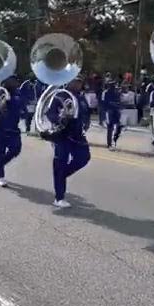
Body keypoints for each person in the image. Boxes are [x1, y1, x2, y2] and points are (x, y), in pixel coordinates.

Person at [44, 74, 91, 209]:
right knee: (60, 162)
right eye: (75, 81)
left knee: (84, 158)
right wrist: (60, 119)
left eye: (79, 82)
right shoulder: (61, 96)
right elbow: (50, 113)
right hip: (62, 135)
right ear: (69, 81)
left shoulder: (81, 97)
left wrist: (86, 123)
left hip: (77, 135)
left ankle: (61, 176)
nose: (77, 84)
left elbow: (85, 113)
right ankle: (59, 198)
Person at [0, 75, 24, 187]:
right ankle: (0, 176)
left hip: (13, 128)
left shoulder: (18, 93)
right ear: (6, 81)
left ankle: (0, 163)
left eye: (15, 81)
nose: (15, 83)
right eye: (12, 81)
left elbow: (21, 106)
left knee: (16, 149)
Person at [100, 72, 124, 150]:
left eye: (113, 85)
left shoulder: (116, 93)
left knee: (118, 126)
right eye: (111, 85)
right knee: (110, 127)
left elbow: (119, 101)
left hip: (116, 111)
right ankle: (109, 144)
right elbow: (103, 103)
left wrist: (119, 107)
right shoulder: (105, 93)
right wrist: (104, 112)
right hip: (109, 111)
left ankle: (114, 139)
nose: (113, 86)